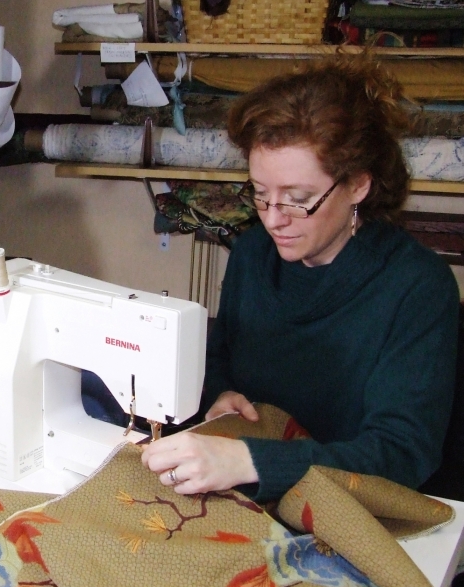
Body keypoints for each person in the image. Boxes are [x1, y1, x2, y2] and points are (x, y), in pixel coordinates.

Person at [141, 53, 459, 503]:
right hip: (255, 499)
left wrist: (249, 461)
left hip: (353, 510)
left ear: (358, 185)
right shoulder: (253, 253)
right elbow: (220, 354)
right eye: (260, 194)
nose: (274, 220)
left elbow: (402, 454)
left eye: (298, 199)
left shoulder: (417, 287)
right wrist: (221, 392)